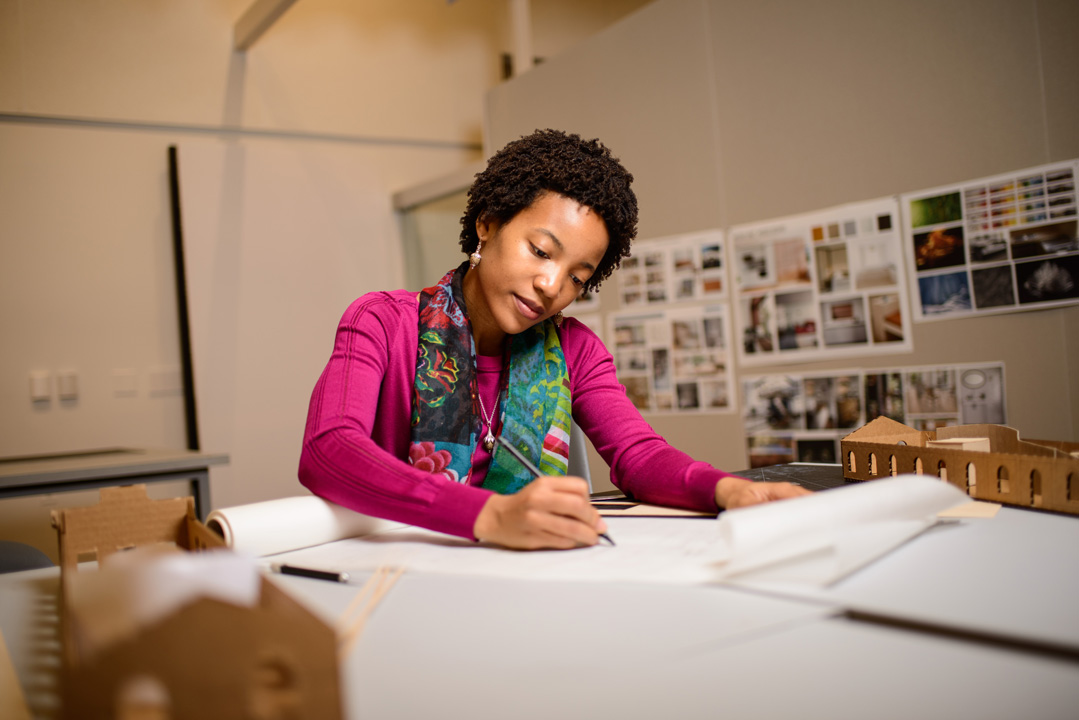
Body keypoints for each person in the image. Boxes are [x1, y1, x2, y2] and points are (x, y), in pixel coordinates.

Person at [298, 129, 809, 551]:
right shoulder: (383, 323)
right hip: (399, 568)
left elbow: (639, 455)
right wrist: (492, 516)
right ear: (487, 222)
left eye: (578, 277)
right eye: (542, 251)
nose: (551, 286)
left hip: (529, 569)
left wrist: (727, 489)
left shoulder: (575, 349)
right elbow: (329, 451)